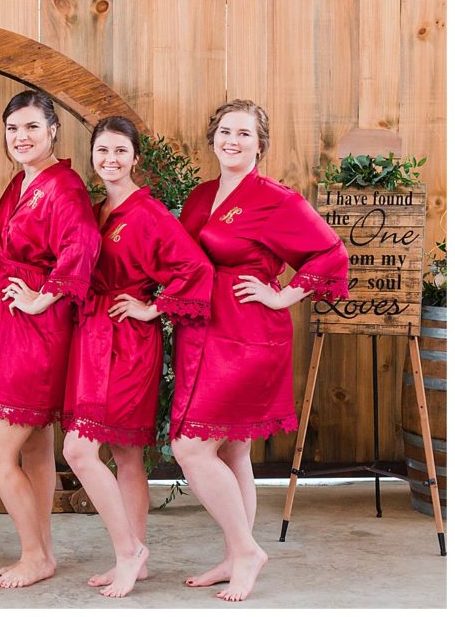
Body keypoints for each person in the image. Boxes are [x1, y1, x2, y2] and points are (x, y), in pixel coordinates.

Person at [170, 99, 349, 601]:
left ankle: (246, 550)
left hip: (248, 334)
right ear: (214, 138)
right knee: (232, 448)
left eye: (244, 134)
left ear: (260, 144)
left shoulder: (277, 199)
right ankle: (234, 556)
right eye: (225, 131)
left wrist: (282, 294)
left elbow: (331, 252)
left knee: (191, 447)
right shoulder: (201, 195)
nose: (232, 140)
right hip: (201, 331)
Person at [62, 116, 213, 598]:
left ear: (135, 158)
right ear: (92, 155)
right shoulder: (96, 208)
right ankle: (135, 554)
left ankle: (130, 552)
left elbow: (195, 268)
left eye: (120, 152)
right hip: (91, 335)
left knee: (80, 450)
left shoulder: (147, 213)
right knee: (125, 454)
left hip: (128, 341)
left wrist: (155, 307)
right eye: (102, 151)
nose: (110, 160)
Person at [0, 90, 101, 588]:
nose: (21, 138)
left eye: (30, 128)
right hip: (9, 328)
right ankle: (42, 547)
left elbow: (83, 244)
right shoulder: (23, 182)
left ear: (52, 132)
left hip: (33, 333)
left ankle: (34, 555)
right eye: (13, 129)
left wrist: (44, 297)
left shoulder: (62, 186)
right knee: (36, 447)